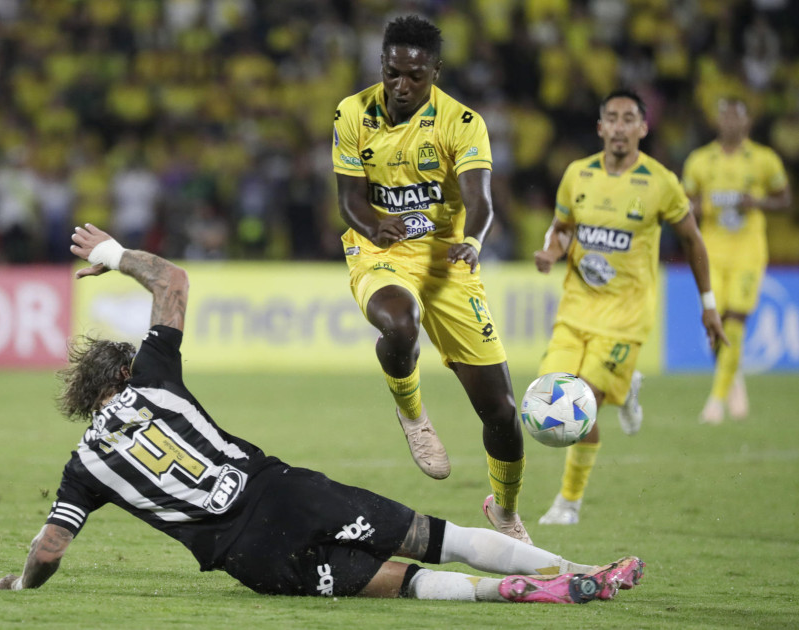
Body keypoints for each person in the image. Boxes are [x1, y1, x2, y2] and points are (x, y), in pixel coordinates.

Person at [0, 223, 645, 604]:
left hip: (252, 561)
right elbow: (172, 282)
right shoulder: (154, 376)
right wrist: (112, 254)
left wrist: (22, 585)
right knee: (436, 538)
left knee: (401, 584)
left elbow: (50, 548)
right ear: (124, 373)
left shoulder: (83, 468)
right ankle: (579, 573)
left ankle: (497, 595)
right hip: (284, 494)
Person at [332, 15, 530, 543]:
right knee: (400, 323)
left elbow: (480, 200)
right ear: (382, 65)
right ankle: (413, 415)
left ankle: (506, 511)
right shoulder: (352, 113)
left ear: (435, 72)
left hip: (448, 259)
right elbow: (349, 199)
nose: (402, 86)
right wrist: (375, 227)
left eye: (415, 77)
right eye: (393, 73)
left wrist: (475, 242)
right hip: (380, 250)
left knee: (502, 412)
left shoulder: (462, 123)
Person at [533, 89, 727, 525]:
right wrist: (551, 251)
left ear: (643, 127)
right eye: (612, 119)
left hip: (625, 318)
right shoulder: (577, 174)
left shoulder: (660, 182)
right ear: (600, 127)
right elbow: (561, 227)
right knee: (547, 408)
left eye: (628, 119)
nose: (619, 127)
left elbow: (693, 240)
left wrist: (709, 305)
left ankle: (568, 503)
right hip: (574, 312)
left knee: (579, 408)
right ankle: (628, 387)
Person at [682, 97, 792, 425]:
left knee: (735, 319)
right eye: (725, 116)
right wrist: (702, 206)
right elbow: (684, 205)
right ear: (717, 121)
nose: (730, 122)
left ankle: (716, 401)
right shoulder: (700, 160)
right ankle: (733, 376)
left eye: (736, 117)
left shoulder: (764, 159)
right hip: (711, 252)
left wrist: (757, 202)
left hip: (748, 251)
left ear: (747, 122)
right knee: (714, 320)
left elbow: (785, 198)